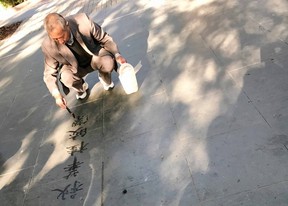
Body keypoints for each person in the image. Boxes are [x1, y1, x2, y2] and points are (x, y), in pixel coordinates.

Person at [41, 12, 126, 109]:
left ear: (67, 26)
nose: (60, 41)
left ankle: (104, 75)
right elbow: (49, 73)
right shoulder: (47, 45)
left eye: (62, 36)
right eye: (56, 39)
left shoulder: (83, 21)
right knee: (66, 78)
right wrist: (56, 95)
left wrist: (117, 55)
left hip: (95, 56)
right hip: (73, 67)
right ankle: (81, 87)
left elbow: (105, 39)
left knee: (108, 62)